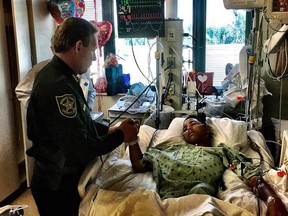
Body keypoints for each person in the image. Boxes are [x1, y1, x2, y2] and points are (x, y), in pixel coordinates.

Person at [26, 17, 139, 216]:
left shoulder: (58, 75)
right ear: (78, 47)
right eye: (93, 50)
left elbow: (82, 122)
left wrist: (110, 130)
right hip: (57, 185)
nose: (95, 58)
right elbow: (80, 149)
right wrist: (121, 136)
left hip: (58, 177)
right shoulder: (58, 87)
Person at [129, 112, 288, 216]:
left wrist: (272, 200)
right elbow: (139, 164)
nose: (188, 129)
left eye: (193, 124)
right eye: (184, 128)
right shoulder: (171, 149)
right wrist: (132, 139)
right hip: (164, 203)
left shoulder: (221, 152)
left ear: (207, 129)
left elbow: (251, 175)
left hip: (199, 203)